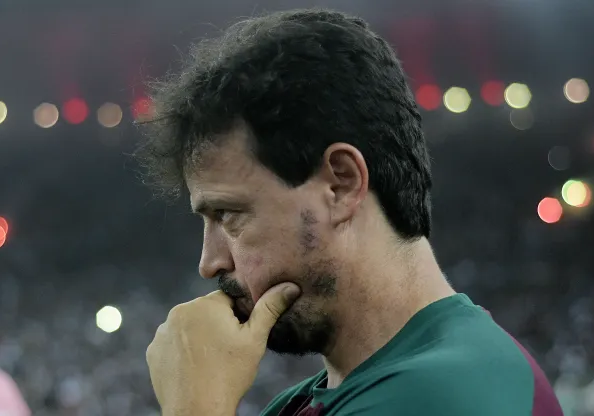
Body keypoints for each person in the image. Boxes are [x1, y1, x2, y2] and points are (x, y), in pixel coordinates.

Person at [138, 8, 563, 416]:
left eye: (229, 215)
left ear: (341, 185)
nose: (210, 263)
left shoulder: (443, 395)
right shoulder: (332, 395)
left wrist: (195, 408)